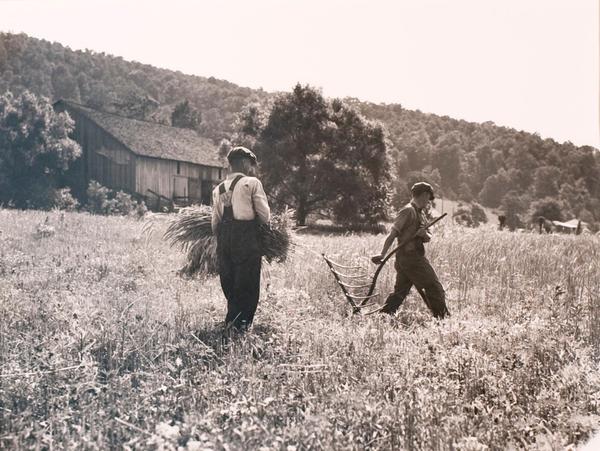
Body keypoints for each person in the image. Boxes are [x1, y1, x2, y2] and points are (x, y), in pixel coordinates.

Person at [211, 146, 270, 331]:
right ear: (245, 163)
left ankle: (232, 320)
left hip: (224, 238)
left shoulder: (218, 189)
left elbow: (215, 221)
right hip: (246, 237)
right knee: (248, 281)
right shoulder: (252, 183)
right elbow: (264, 215)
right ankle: (242, 324)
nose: (251, 169)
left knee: (229, 279)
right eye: (251, 165)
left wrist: (219, 240)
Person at [371, 182, 449, 319]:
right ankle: (443, 319)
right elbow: (393, 234)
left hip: (408, 258)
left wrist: (423, 234)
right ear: (424, 195)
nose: (428, 202)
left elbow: (428, 237)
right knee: (433, 286)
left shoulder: (420, 213)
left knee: (400, 292)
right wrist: (382, 254)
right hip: (411, 259)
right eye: (428, 198)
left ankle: (383, 316)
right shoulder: (408, 211)